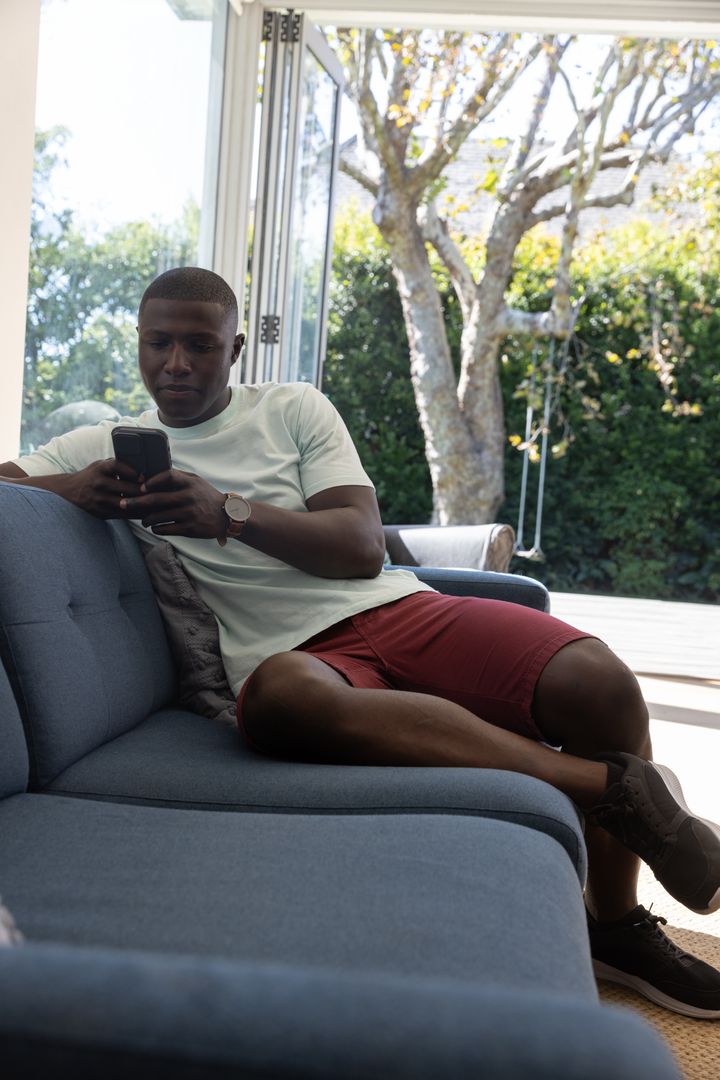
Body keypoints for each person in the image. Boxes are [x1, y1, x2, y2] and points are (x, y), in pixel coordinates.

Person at [2, 266, 719, 1020]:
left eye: (200, 346)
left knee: (602, 682)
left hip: (394, 610)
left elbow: (358, 544)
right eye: (159, 343)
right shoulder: (97, 445)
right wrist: (72, 490)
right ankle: (617, 791)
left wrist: (231, 514)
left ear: (236, 347)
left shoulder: (294, 409)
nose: (176, 364)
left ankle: (616, 925)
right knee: (281, 699)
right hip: (298, 660)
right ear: (139, 344)